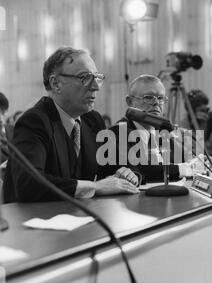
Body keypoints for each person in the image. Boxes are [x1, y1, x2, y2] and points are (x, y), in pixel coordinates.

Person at [3, 47, 139, 203]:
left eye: (97, 77)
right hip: (33, 221)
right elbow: (29, 184)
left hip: (80, 217)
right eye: (85, 77)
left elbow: (115, 166)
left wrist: (128, 173)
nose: (96, 86)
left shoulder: (92, 120)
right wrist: (95, 187)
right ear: (56, 84)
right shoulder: (34, 122)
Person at [107, 75, 202, 183]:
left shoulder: (162, 131)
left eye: (160, 98)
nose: (156, 102)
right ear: (129, 101)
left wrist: (194, 161)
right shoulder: (117, 133)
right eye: (148, 97)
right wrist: (186, 169)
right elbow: (140, 171)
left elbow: (179, 162)